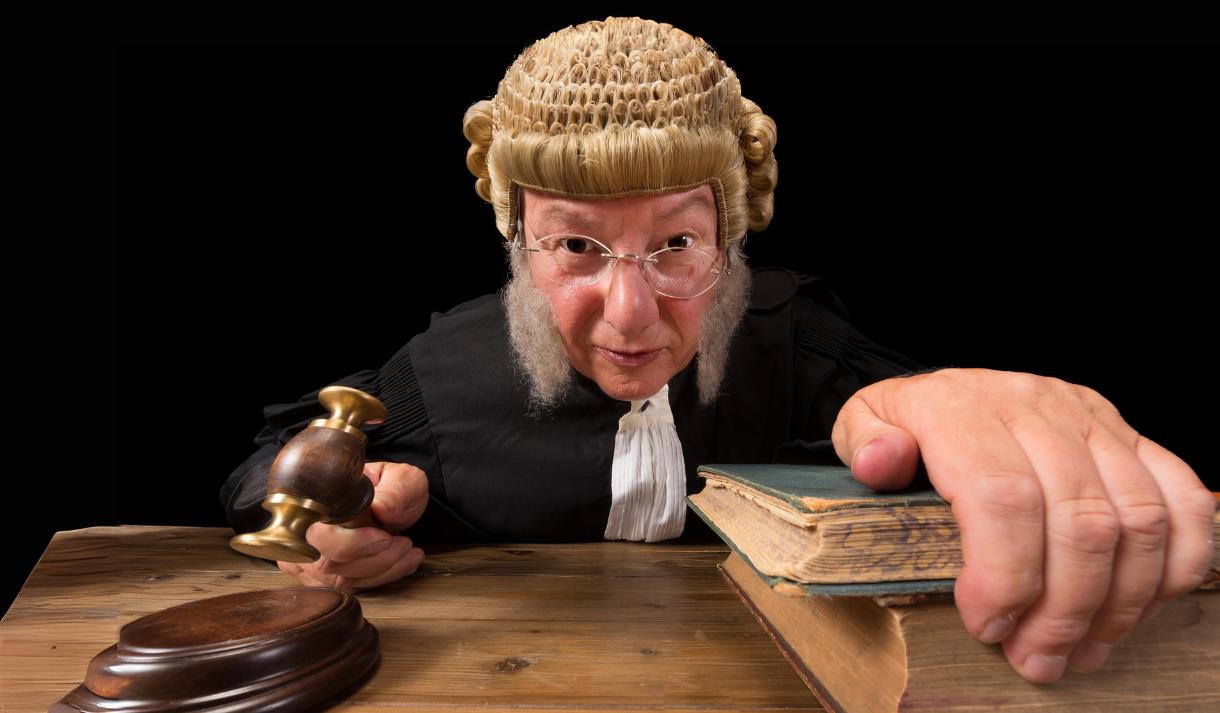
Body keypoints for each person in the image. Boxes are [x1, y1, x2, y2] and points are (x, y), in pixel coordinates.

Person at [219, 17, 1215, 685]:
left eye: (676, 244)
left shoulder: (795, 339)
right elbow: (272, 461)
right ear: (514, 237)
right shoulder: (439, 374)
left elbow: (912, 414)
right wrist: (332, 520)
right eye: (575, 245)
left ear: (730, 234)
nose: (629, 310)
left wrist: (970, 405)